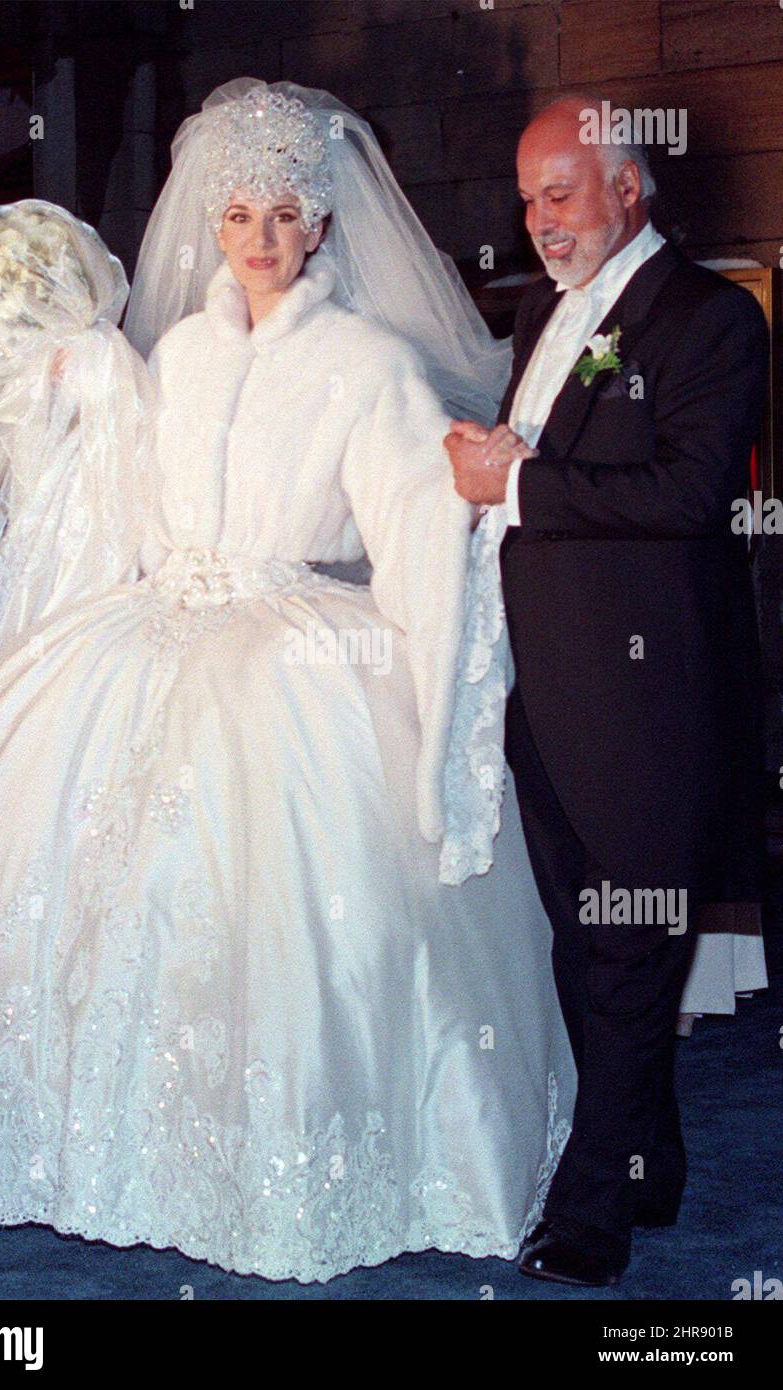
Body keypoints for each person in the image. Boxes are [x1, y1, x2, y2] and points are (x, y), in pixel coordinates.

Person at [0, 85, 574, 1284]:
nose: (261, 238)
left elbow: (416, 535)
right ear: (212, 222)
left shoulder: (369, 365)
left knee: (281, 920)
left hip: (298, 655)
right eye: (240, 213)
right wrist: (69, 408)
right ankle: (77, 1153)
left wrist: (432, 740)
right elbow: (126, 507)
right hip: (144, 637)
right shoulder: (179, 354)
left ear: (321, 226)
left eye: (286, 214)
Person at [446, 94, 768, 1287]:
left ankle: (592, 1211)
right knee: (586, 951)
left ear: (632, 186)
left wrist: (517, 483)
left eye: (561, 193)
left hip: (652, 702)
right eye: (528, 199)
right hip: (547, 695)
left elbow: (689, 494)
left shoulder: (713, 317)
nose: (538, 221)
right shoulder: (543, 312)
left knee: (632, 951)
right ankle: (651, 1152)